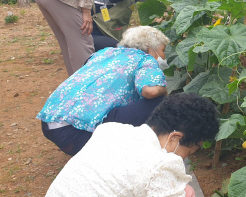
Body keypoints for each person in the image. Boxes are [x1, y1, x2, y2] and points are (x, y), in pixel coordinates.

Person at [33, 93, 220, 197]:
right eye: (191, 151)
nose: (185, 158)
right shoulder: (161, 164)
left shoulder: (110, 130)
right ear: (175, 138)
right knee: (185, 195)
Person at [37, 26, 170, 156]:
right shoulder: (144, 59)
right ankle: (147, 151)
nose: (164, 56)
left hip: (50, 123)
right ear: (151, 49)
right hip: (77, 135)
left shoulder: (105, 52)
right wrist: (164, 90)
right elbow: (150, 91)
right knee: (160, 102)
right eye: (163, 50)